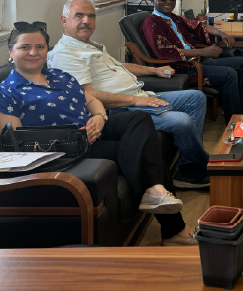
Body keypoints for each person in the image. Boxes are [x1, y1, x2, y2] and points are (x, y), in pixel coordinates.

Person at [0, 22, 197, 246]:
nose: (33, 53)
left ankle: (156, 192)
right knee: (145, 152)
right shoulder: (6, 92)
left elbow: (91, 100)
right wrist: (70, 135)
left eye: (40, 47)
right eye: (25, 47)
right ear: (11, 52)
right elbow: (18, 141)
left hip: (93, 129)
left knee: (139, 118)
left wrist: (100, 118)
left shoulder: (60, 76)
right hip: (64, 149)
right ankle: (173, 227)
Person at [47, 0, 210, 189]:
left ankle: (188, 162)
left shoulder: (90, 45)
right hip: (121, 109)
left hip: (140, 96)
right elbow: (86, 96)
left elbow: (119, 66)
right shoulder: (66, 54)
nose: (86, 21)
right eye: (79, 16)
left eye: (91, 16)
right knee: (182, 121)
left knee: (196, 98)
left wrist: (153, 70)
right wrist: (136, 101)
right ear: (64, 20)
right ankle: (193, 172)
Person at [140, 0, 243, 125]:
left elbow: (198, 25)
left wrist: (222, 34)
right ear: (152, 0)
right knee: (228, 74)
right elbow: (164, 52)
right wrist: (203, 51)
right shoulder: (152, 23)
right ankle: (235, 124)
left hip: (197, 61)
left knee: (242, 62)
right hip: (181, 67)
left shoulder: (174, 18)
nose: (169, 1)